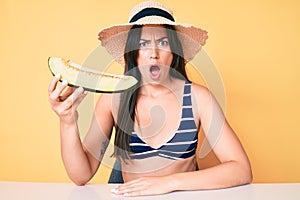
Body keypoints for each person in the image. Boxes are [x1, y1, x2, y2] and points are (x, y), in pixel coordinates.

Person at [48, 0, 252, 197]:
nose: (153, 54)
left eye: (163, 42)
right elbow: (80, 175)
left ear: (174, 50)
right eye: (143, 43)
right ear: (133, 52)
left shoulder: (199, 98)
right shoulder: (113, 101)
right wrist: (67, 121)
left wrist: (169, 183)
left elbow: (241, 169)